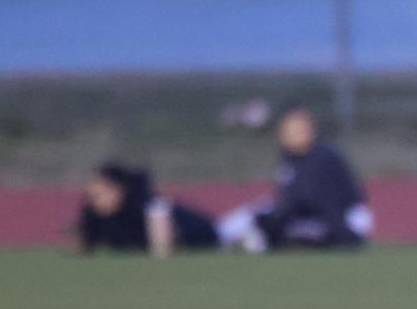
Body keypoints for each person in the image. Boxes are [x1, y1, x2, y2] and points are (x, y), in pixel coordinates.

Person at [217, 107, 374, 253]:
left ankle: (241, 237)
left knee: (278, 224)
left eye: (302, 130)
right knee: (258, 212)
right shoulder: (291, 157)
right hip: (318, 217)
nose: (298, 134)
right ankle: (221, 235)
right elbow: (291, 199)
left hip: (344, 220)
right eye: (291, 131)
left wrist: (345, 237)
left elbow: (323, 202)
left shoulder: (323, 157)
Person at [74, 164, 219, 257]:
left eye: (99, 195)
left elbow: (162, 253)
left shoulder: (152, 207)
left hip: (215, 237)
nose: (94, 201)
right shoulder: (100, 217)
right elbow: (83, 251)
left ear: (118, 190)